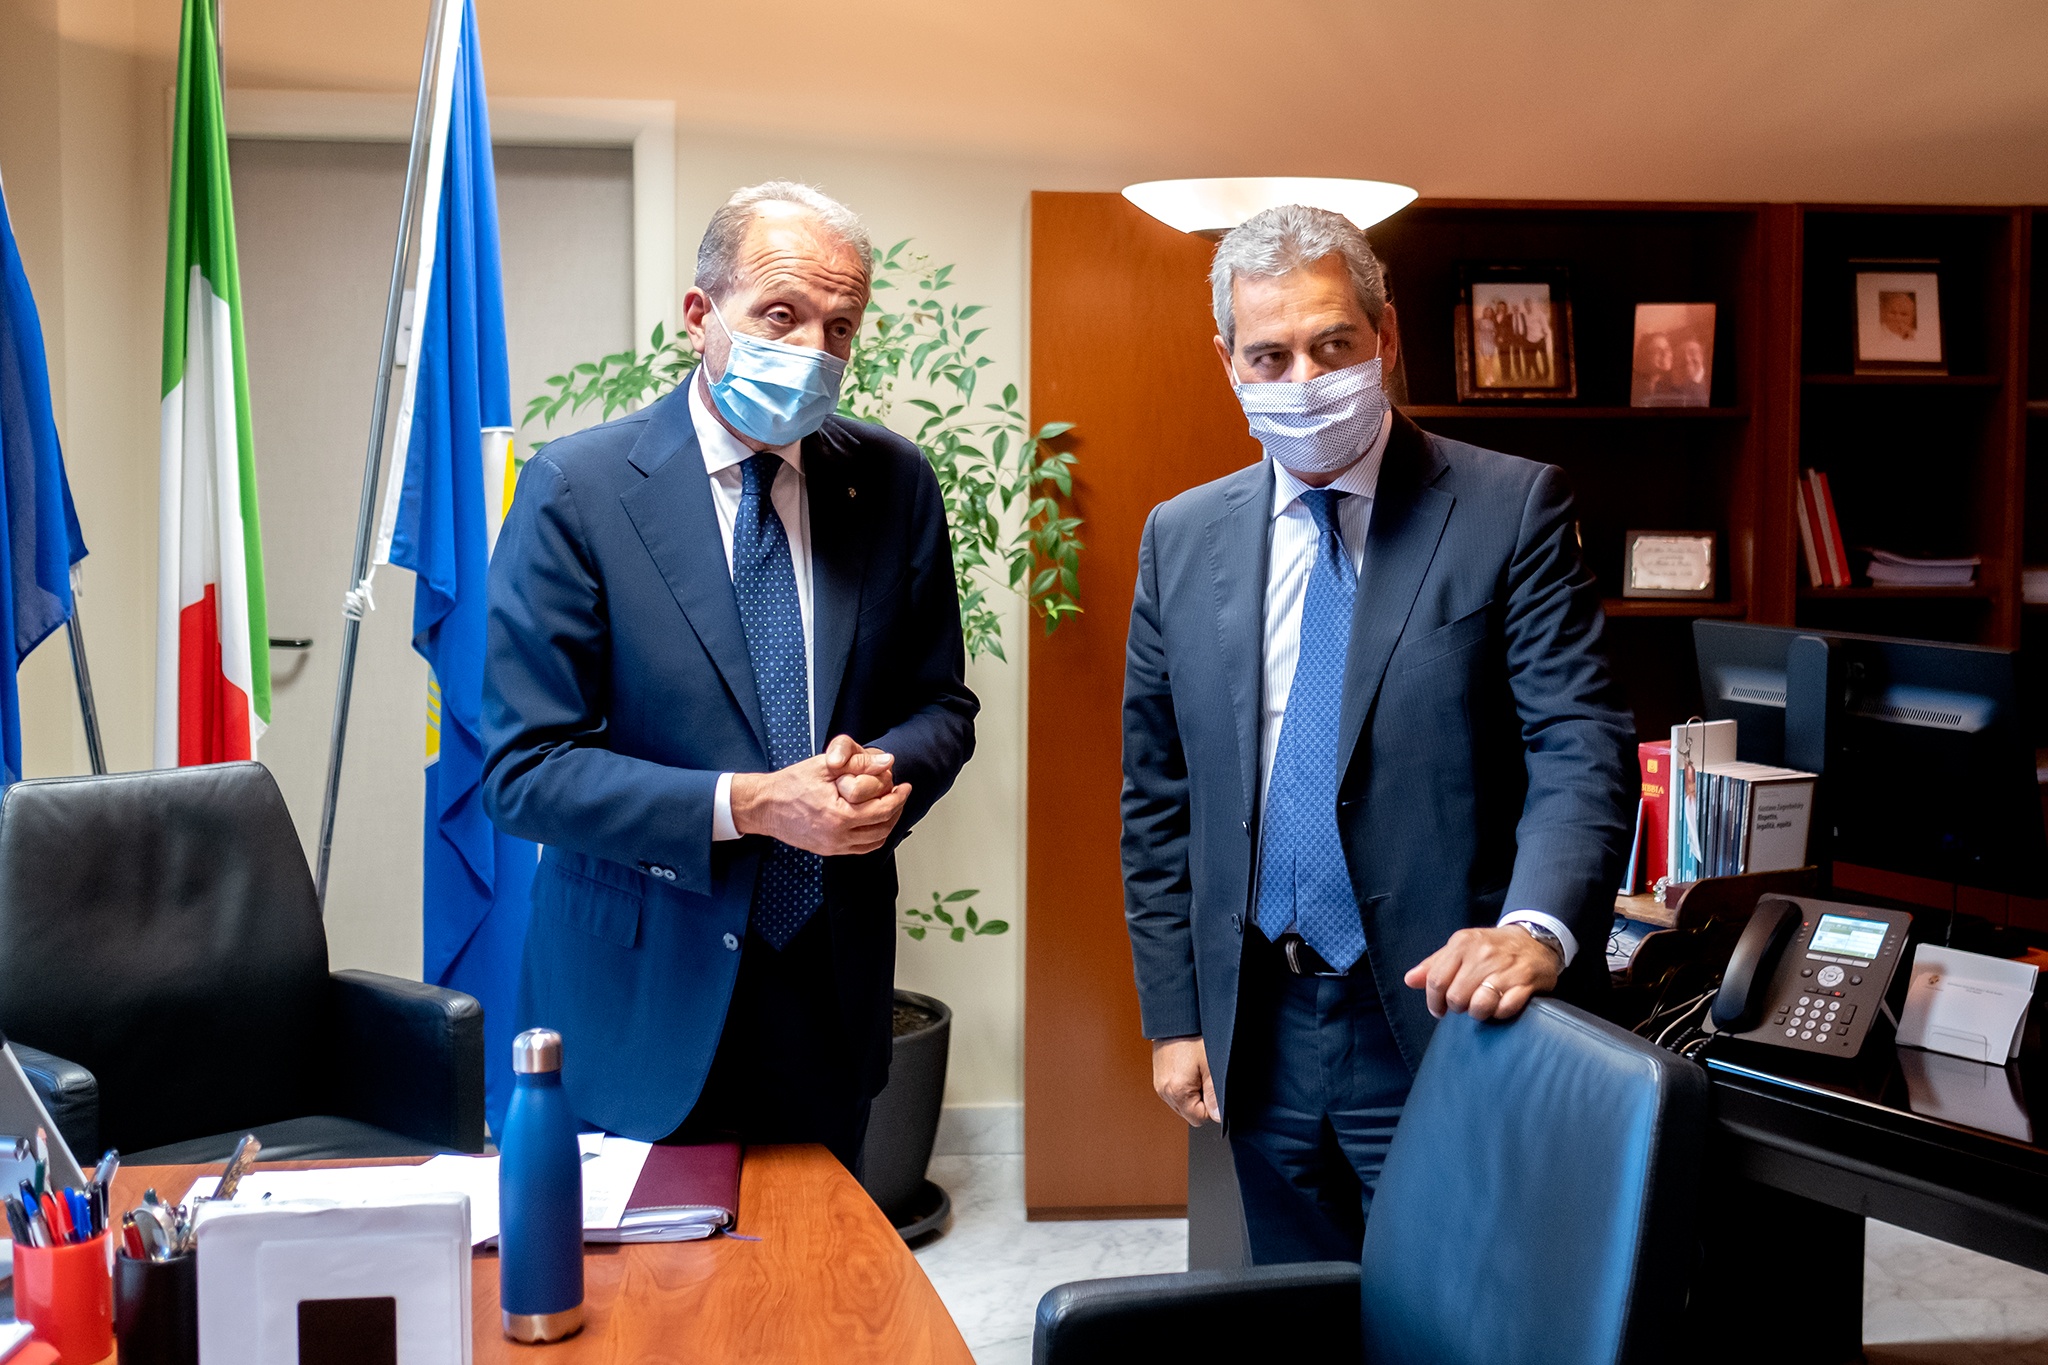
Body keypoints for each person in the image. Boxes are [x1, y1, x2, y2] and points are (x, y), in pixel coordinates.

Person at [1120, 204, 1633, 1263]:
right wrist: (1174, 1016)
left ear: (1385, 337)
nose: (1304, 378)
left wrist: (1535, 929)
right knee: (1287, 1312)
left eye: (1332, 344)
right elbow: (1157, 794)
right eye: (1269, 355)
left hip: (1446, 1014)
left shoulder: (1510, 507)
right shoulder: (1180, 537)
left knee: (1457, 1308)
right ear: (1227, 362)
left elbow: (1578, 742)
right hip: (1256, 1022)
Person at [482, 182, 978, 1169]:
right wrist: (749, 803)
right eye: (781, 314)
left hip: (826, 988)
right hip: (640, 992)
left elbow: (941, 704)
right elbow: (524, 770)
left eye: (840, 327)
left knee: (819, 1263)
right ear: (699, 315)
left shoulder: (891, 482)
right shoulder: (576, 490)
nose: (813, 350)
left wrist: (882, 773)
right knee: (642, 1273)